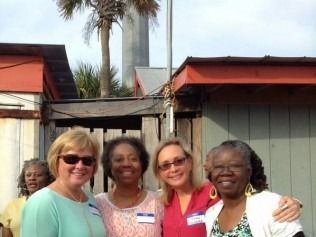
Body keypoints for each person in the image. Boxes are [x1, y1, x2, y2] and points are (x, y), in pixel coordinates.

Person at [152, 137, 303, 237]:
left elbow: (250, 199)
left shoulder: (213, 191)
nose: (173, 169)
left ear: (190, 162)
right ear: (158, 171)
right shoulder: (159, 202)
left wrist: (293, 203)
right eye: (165, 165)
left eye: (178, 161)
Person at [205, 140, 304, 236]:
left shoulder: (272, 205)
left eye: (235, 166)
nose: (225, 172)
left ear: (249, 171)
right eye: (218, 167)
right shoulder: (211, 214)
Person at [21, 127, 107, 237]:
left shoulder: (89, 198)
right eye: (71, 159)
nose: (80, 166)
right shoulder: (43, 202)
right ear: (55, 160)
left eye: (87, 160)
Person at [95, 136, 163, 237]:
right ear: (109, 166)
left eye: (133, 159)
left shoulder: (157, 202)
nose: (126, 164)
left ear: (142, 164)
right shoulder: (97, 204)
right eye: (119, 160)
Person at [1, 158, 53, 237]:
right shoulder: (12, 206)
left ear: (48, 178)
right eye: (28, 175)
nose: (32, 178)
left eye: (38, 175)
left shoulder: (55, 204)